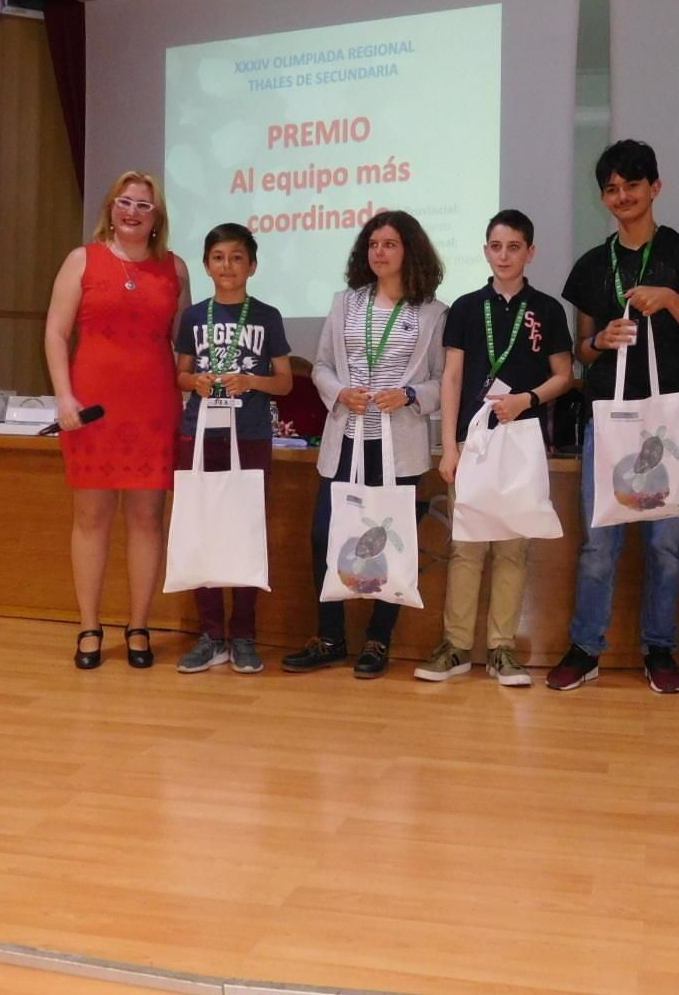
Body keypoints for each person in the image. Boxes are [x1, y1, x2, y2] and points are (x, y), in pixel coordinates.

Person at [549, 140, 679, 694]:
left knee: (665, 545)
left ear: (655, 188)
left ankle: (660, 647)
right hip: (610, 420)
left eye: (632, 185)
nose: (622, 196)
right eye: (612, 189)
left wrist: (671, 299)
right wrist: (601, 339)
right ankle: (585, 646)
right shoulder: (592, 264)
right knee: (599, 542)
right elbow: (582, 350)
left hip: (673, 420)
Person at [283, 211, 447, 679]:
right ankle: (330, 639)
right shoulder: (346, 304)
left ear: (410, 251)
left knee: (388, 544)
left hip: (398, 446)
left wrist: (411, 394)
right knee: (326, 536)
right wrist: (339, 392)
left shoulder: (433, 312)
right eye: (373, 244)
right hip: (347, 438)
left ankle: (378, 640)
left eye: (390, 244)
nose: (379, 252)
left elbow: (443, 381)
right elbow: (321, 366)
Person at [415, 210, 574, 686]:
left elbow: (564, 376)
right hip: (473, 440)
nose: (504, 256)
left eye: (514, 247)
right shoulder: (465, 308)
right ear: (486, 251)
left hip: (521, 442)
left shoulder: (547, 309)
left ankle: (502, 649)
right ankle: (456, 646)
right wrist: (449, 447)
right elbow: (452, 378)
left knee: (511, 549)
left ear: (531, 252)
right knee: (466, 548)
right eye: (496, 246)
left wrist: (528, 399)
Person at [44, 170, 190, 670]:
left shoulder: (175, 268)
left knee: (148, 519)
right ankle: (89, 625)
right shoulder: (81, 260)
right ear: (110, 208)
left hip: (154, 406)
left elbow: (184, 344)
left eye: (143, 205)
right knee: (91, 518)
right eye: (124, 202)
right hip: (92, 409)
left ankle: (139, 625)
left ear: (157, 217)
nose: (132, 212)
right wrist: (64, 397)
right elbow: (56, 333)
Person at [172, 223, 292, 676]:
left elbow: (284, 381)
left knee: (245, 531)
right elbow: (180, 375)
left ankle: (243, 634)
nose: (228, 266)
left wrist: (252, 381)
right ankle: (210, 635)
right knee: (201, 528)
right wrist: (195, 382)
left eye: (237, 257)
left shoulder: (267, 316)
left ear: (253, 266)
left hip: (250, 434)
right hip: (199, 434)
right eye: (219, 257)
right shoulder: (192, 317)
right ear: (206, 265)